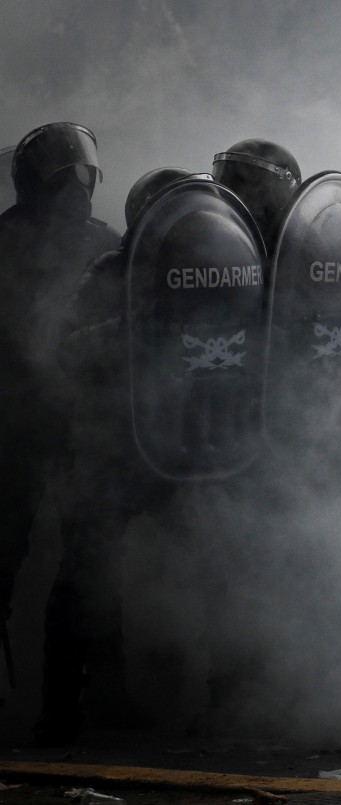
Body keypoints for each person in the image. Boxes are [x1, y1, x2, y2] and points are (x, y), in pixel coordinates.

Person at [35, 167, 200, 745]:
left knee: (213, 562)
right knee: (85, 573)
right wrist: (130, 325)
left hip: (180, 447)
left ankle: (209, 698)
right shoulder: (110, 272)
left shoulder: (212, 282)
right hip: (106, 448)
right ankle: (64, 706)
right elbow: (68, 351)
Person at [0, 122, 120, 745]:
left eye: (86, 173)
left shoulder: (107, 246)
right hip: (16, 425)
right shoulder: (4, 244)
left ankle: (86, 705)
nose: (81, 185)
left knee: (91, 563)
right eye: (65, 175)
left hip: (82, 422)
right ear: (35, 185)